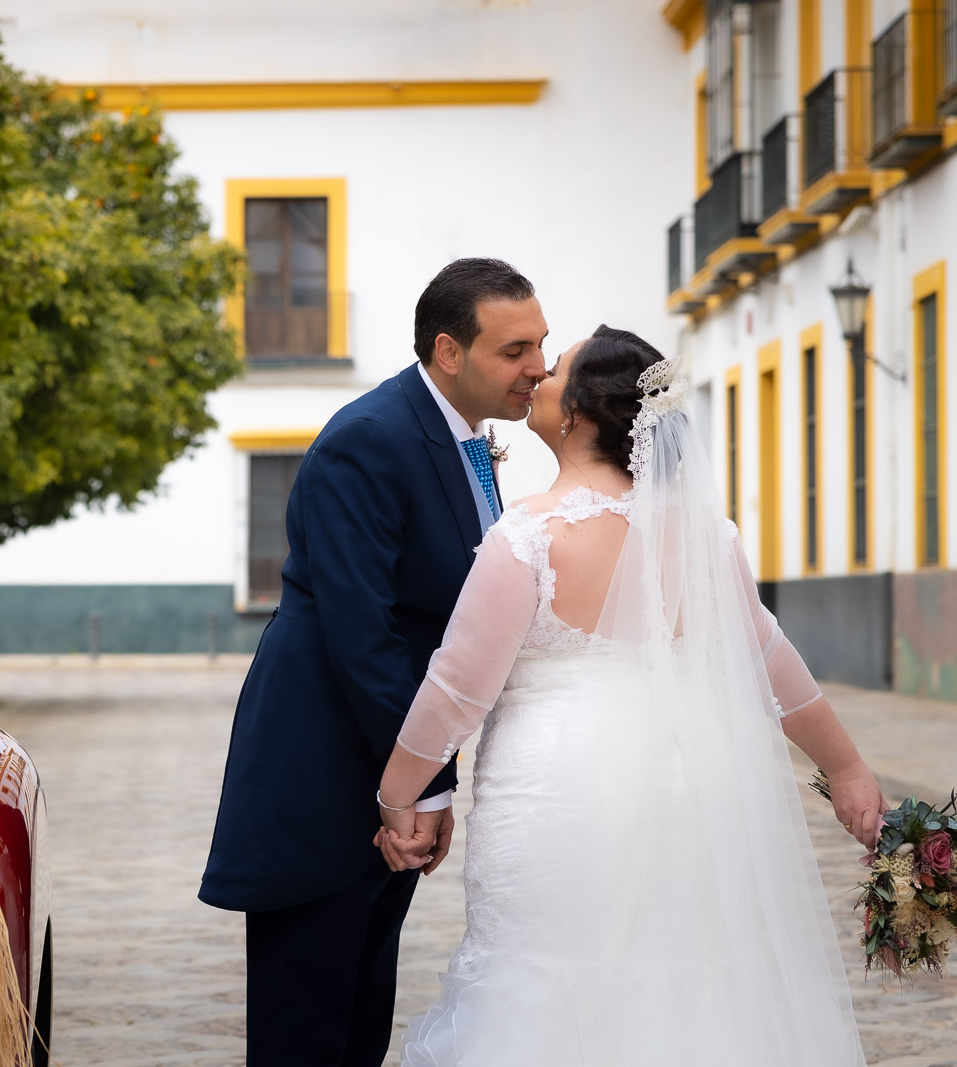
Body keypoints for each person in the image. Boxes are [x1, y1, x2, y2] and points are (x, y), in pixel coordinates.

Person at [377, 325, 884, 1066]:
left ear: (579, 412)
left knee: (542, 978)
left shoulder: (531, 537)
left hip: (555, 799)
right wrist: (847, 769)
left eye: (558, 368)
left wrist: (399, 795)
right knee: (676, 978)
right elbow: (771, 658)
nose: (541, 373)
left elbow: (456, 689)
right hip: (682, 793)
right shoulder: (705, 538)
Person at [200, 258, 550, 1067]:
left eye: (541, 344)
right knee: (307, 1031)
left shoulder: (465, 440)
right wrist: (422, 782)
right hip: (324, 772)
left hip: (385, 762)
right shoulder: (367, 441)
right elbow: (365, 636)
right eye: (516, 349)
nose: (538, 366)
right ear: (449, 352)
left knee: (359, 1024)